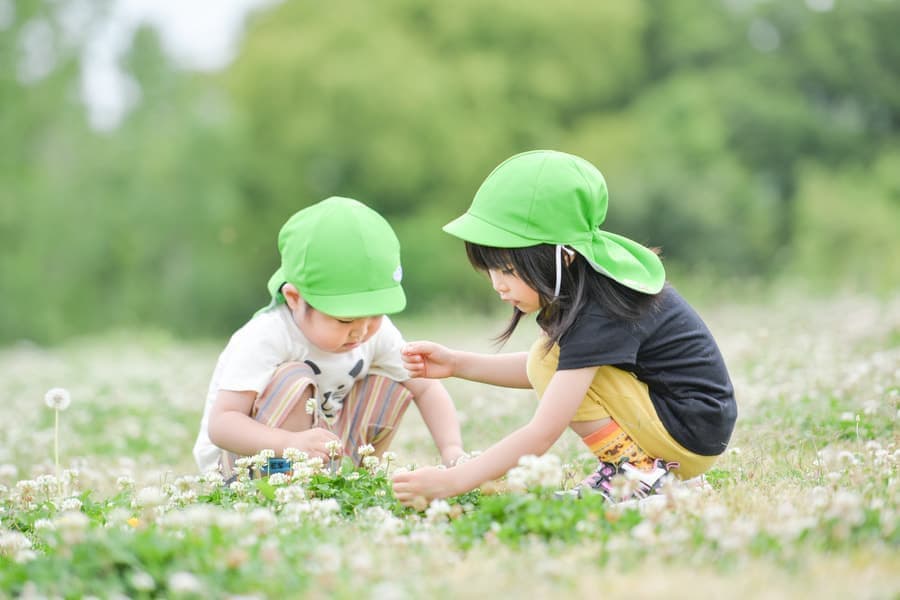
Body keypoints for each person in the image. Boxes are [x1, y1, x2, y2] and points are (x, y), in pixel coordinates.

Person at [392, 150, 736, 505]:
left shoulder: (600, 309)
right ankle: (654, 474)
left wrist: (453, 481)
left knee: (546, 358)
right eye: (491, 270)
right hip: (689, 427)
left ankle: (635, 472)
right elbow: (556, 370)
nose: (498, 285)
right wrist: (456, 364)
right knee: (546, 357)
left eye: (509, 270)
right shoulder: (593, 286)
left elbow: (543, 431)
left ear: (564, 256)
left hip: (687, 432)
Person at [193, 196, 465, 477]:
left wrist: (452, 450)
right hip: (245, 464)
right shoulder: (268, 335)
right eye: (344, 318)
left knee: (395, 380)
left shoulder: (375, 332)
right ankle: (287, 488)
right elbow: (222, 424)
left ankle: (348, 479)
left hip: (318, 451)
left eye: (375, 314)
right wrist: (290, 444)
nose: (361, 330)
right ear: (294, 298)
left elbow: (427, 387)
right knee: (293, 377)